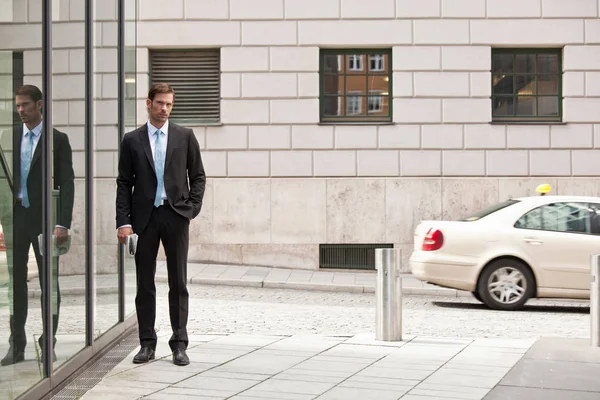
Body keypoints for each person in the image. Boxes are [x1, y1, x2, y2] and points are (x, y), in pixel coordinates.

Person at [116, 83, 205, 366]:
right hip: (143, 220)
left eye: (168, 104)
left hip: (176, 215)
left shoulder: (184, 136)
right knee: (145, 283)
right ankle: (146, 343)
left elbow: (198, 176)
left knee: (178, 282)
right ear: (148, 103)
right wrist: (124, 222)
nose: (164, 109)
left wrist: (190, 210)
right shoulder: (132, 140)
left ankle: (179, 344)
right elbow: (124, 183)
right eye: (160, 103)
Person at [1, 85, 75, 366]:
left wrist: (62, 223)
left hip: (46, 221)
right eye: (18, 105)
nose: (20, 110)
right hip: (17, 218)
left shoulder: (58, 140)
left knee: (49, 284)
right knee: (14, 285)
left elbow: (67, 183)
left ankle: (48, 343)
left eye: (25, 105)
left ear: (39, 105)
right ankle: (16, 345)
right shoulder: (9, 137)